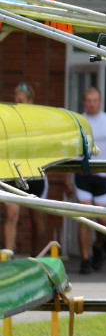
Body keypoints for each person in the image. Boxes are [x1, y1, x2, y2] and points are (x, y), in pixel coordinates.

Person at [65, 87, 106, 274]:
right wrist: (67, 178)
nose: (91, 104)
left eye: (95, 100)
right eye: (88, 100)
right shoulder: (78, 121)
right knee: (85, 218)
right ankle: (84, 259)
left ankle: (97, 246)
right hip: (83, 174)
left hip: (104, 176)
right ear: (84, 102)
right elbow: (70, 152)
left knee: (103, 221)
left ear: (100, 101)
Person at [3, 83, 48, 256]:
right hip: (13, 172)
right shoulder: (9, 119)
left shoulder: (38, 121)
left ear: (30, 101)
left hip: (34, 172)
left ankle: (36, 257)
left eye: (20, 100)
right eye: (15, 100)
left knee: (37, 219)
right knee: (11, 214)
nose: (16, 104)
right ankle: (7, 257)